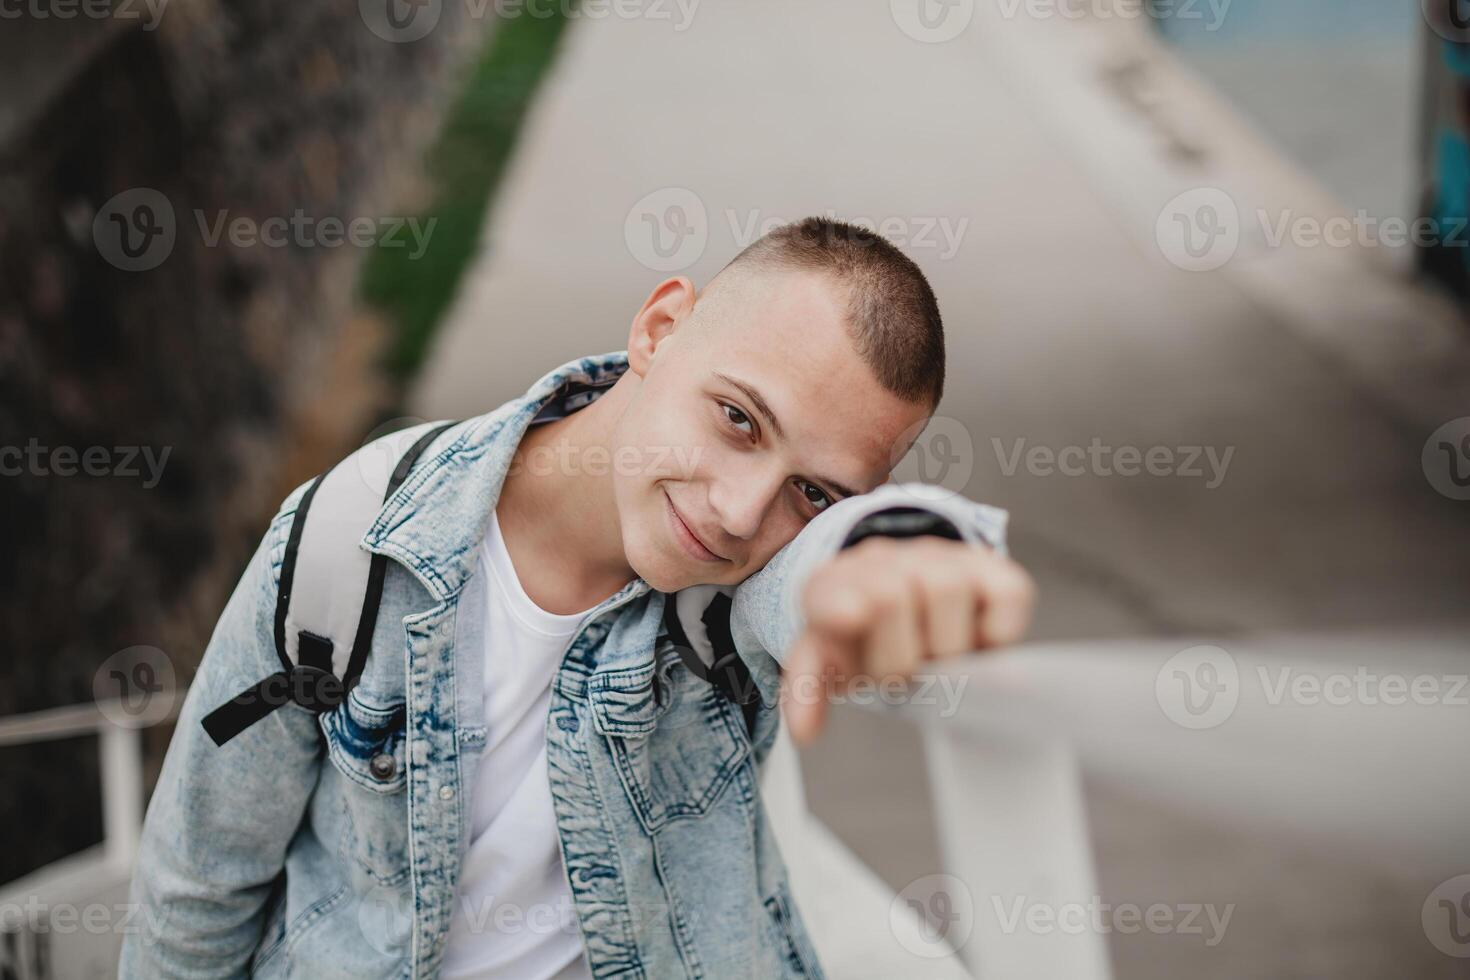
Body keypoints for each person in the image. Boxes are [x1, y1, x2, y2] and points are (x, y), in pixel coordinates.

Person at [118, 216, 1036, 979]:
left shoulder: (742, 592)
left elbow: (825, 571)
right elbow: (199, 883)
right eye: (738, 420)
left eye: (815, 491)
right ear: (659, 330)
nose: (738, 511)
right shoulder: (350, 542)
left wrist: (900, 548)